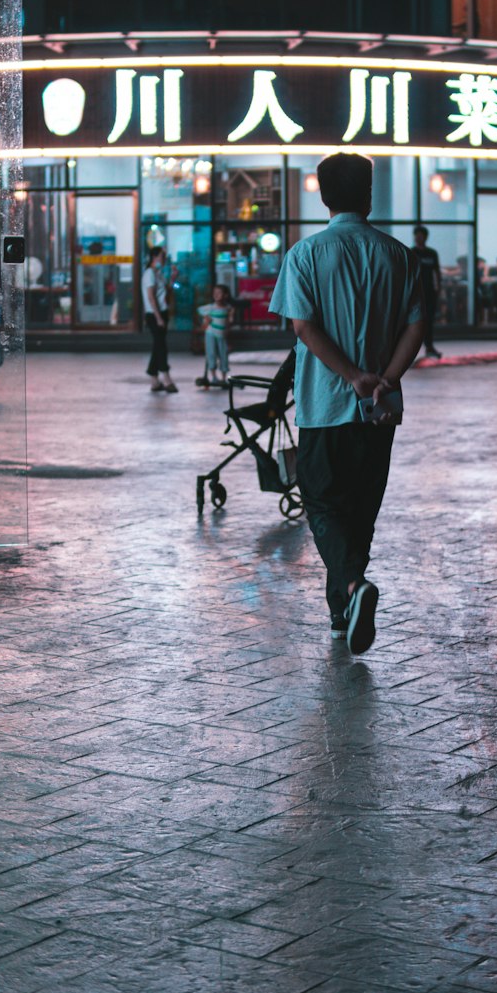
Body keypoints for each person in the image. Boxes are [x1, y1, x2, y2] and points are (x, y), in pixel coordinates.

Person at [269, 152, 423, 654]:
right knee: (362, 509)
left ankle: (353, 590)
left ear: (322, 195)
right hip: (380, 410)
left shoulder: (306, 254)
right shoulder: (400, 255)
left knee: (321, 503)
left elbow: (303, 328)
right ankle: (341, 613)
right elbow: (416, 327)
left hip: (322, 405)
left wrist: (353, 376)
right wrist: (385, 379)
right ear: (369, 195)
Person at [142, 245, 177, 393]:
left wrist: (173, 279)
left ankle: (154, 379)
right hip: (154, 314)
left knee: (158, 345)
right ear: (154, 257)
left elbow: (164, 293)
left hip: (161, 312)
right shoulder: (149, 273)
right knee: (161, 346)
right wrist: (158, 318)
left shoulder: (158, 273)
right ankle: (166, 377)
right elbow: (150, 297)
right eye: (162, 256)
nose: (164, 260)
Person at [410, 225, 442, 358]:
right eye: (416, 236)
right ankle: (411, 350)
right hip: (415, 291)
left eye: (421, 236)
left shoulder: (431, 253)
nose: (418, 238)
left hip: (429, 291)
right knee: (415, 320)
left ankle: (429, 346)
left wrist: (438, 288)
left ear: (425, 237)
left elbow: (436, 272)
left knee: (429, 319)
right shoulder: (412, 252)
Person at [196, 283, 233, 389]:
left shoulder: (228, 308)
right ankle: (213, 377)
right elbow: (200, 310)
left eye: (219, 293)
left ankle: (223, 377)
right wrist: (206, 319)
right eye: (214, 293)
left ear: (225, 295)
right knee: (211, 353)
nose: (216, 295)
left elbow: (229, 320)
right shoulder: (210, 308)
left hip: (222, 335)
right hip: (211, 333)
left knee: (223, 355)